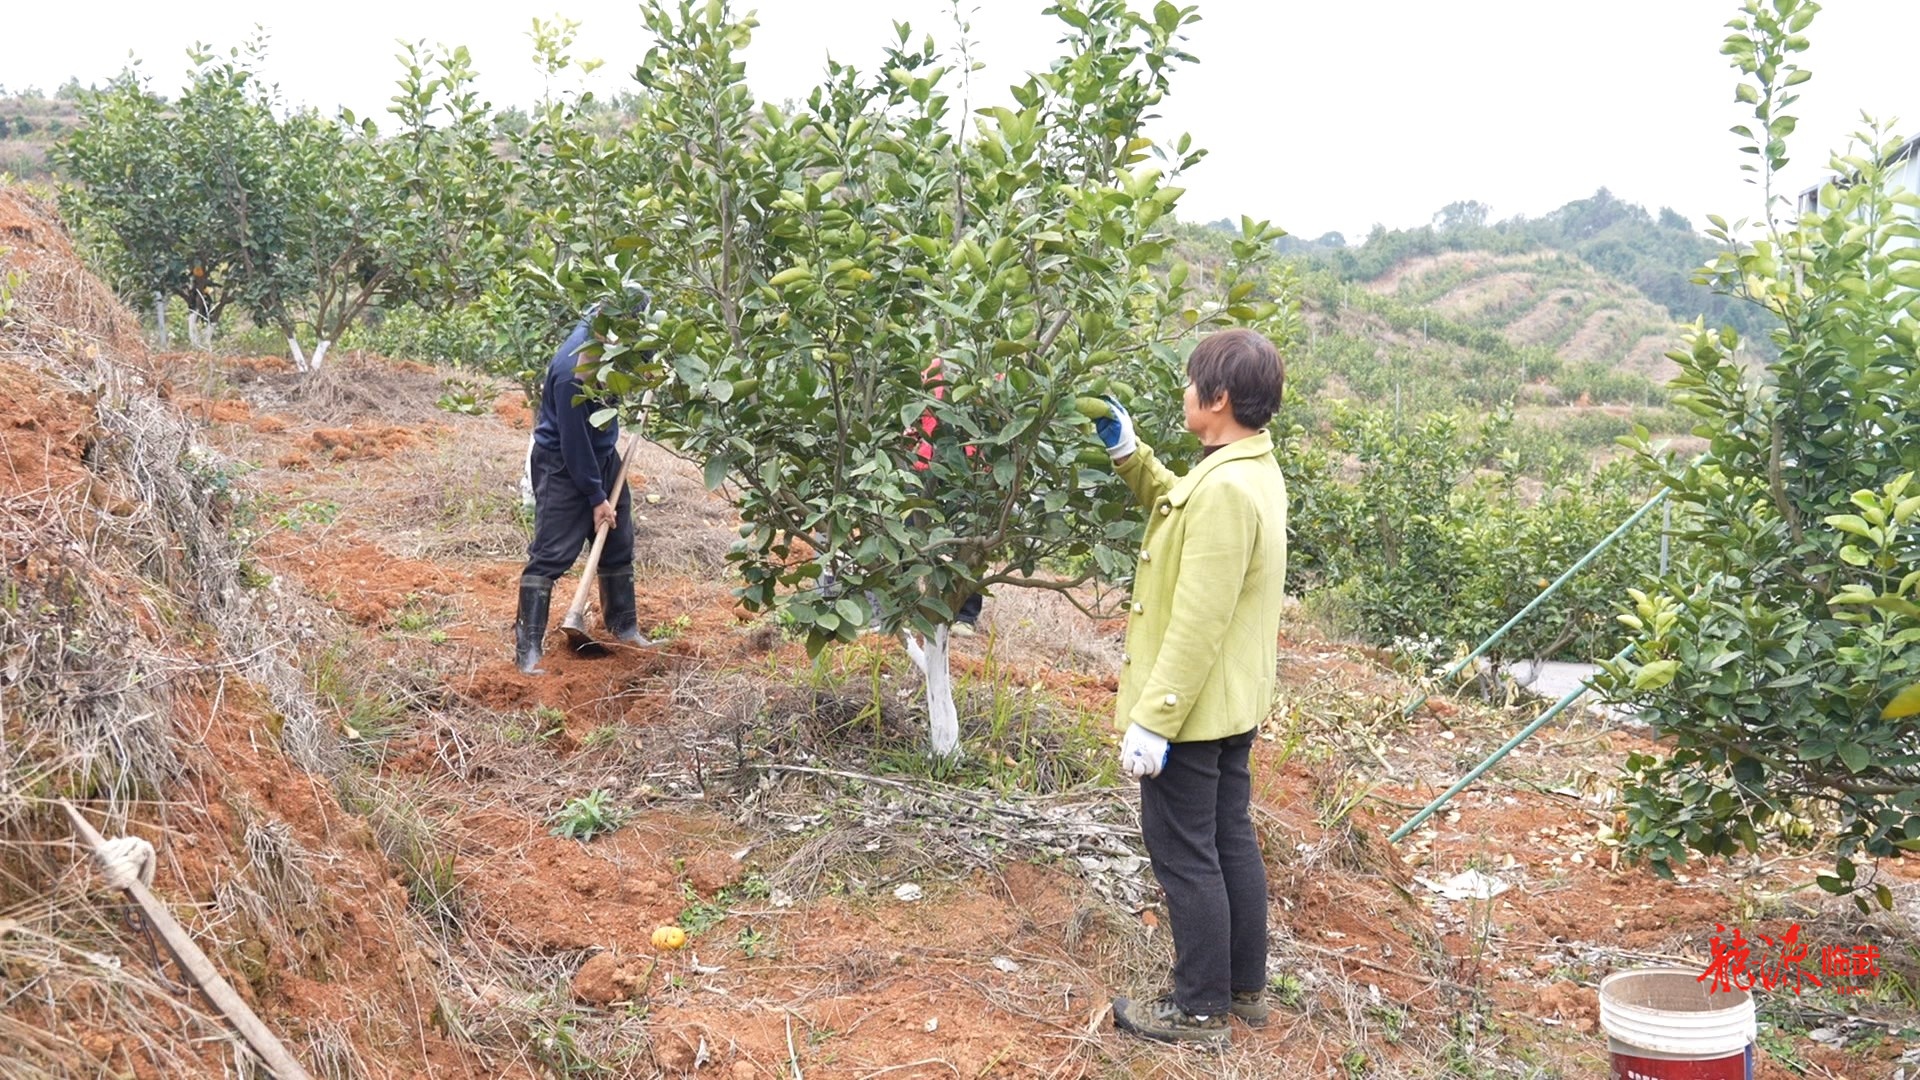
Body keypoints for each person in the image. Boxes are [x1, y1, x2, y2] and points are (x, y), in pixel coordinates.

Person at [1094, 328, 1288, 1047]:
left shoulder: (1228, 489)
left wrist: (1155, 720)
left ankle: (1200, 1009)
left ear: (1219, 397)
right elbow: (1183, 506)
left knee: (1184, 851)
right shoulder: (1247, 467)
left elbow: (1199, 621)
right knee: (1228, 837)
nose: (1184, 392)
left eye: (1190, 380)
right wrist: (1128, 454)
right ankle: (1242, 988)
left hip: (1196, 709)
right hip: (1232, 703)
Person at [514, 296, 656, 674]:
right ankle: (528, 649)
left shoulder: (612, 346)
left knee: (618, 542)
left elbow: (643, 359)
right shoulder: (571, 371)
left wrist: (654, 363)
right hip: (562, 462)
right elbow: (573, 445)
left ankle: (623, 626)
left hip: (604, 455)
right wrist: (596, 498)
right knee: (552, 552)